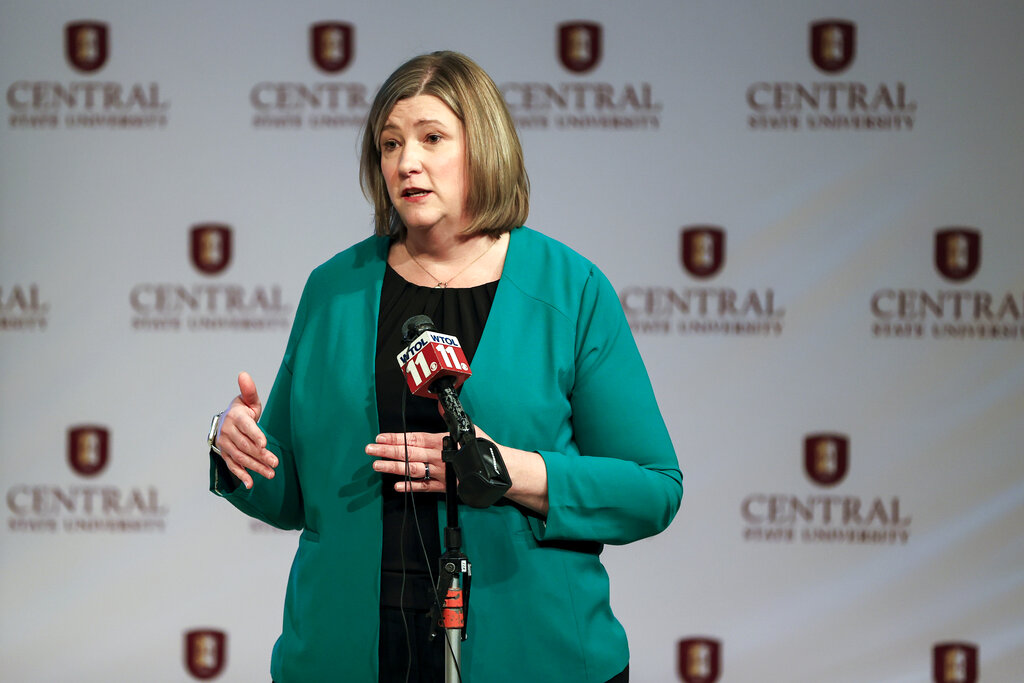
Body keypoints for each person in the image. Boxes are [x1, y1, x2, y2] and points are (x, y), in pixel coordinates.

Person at [207, 50, 682, 683]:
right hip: (348, 655)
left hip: (533, 654)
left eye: (432, 138)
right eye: (390, 144)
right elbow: (292, 496)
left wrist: (506, 470)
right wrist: (238, 448)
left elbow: (652, 489)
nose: (407, 162)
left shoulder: (571, 289)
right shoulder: (333, 289)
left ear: (483, 147)